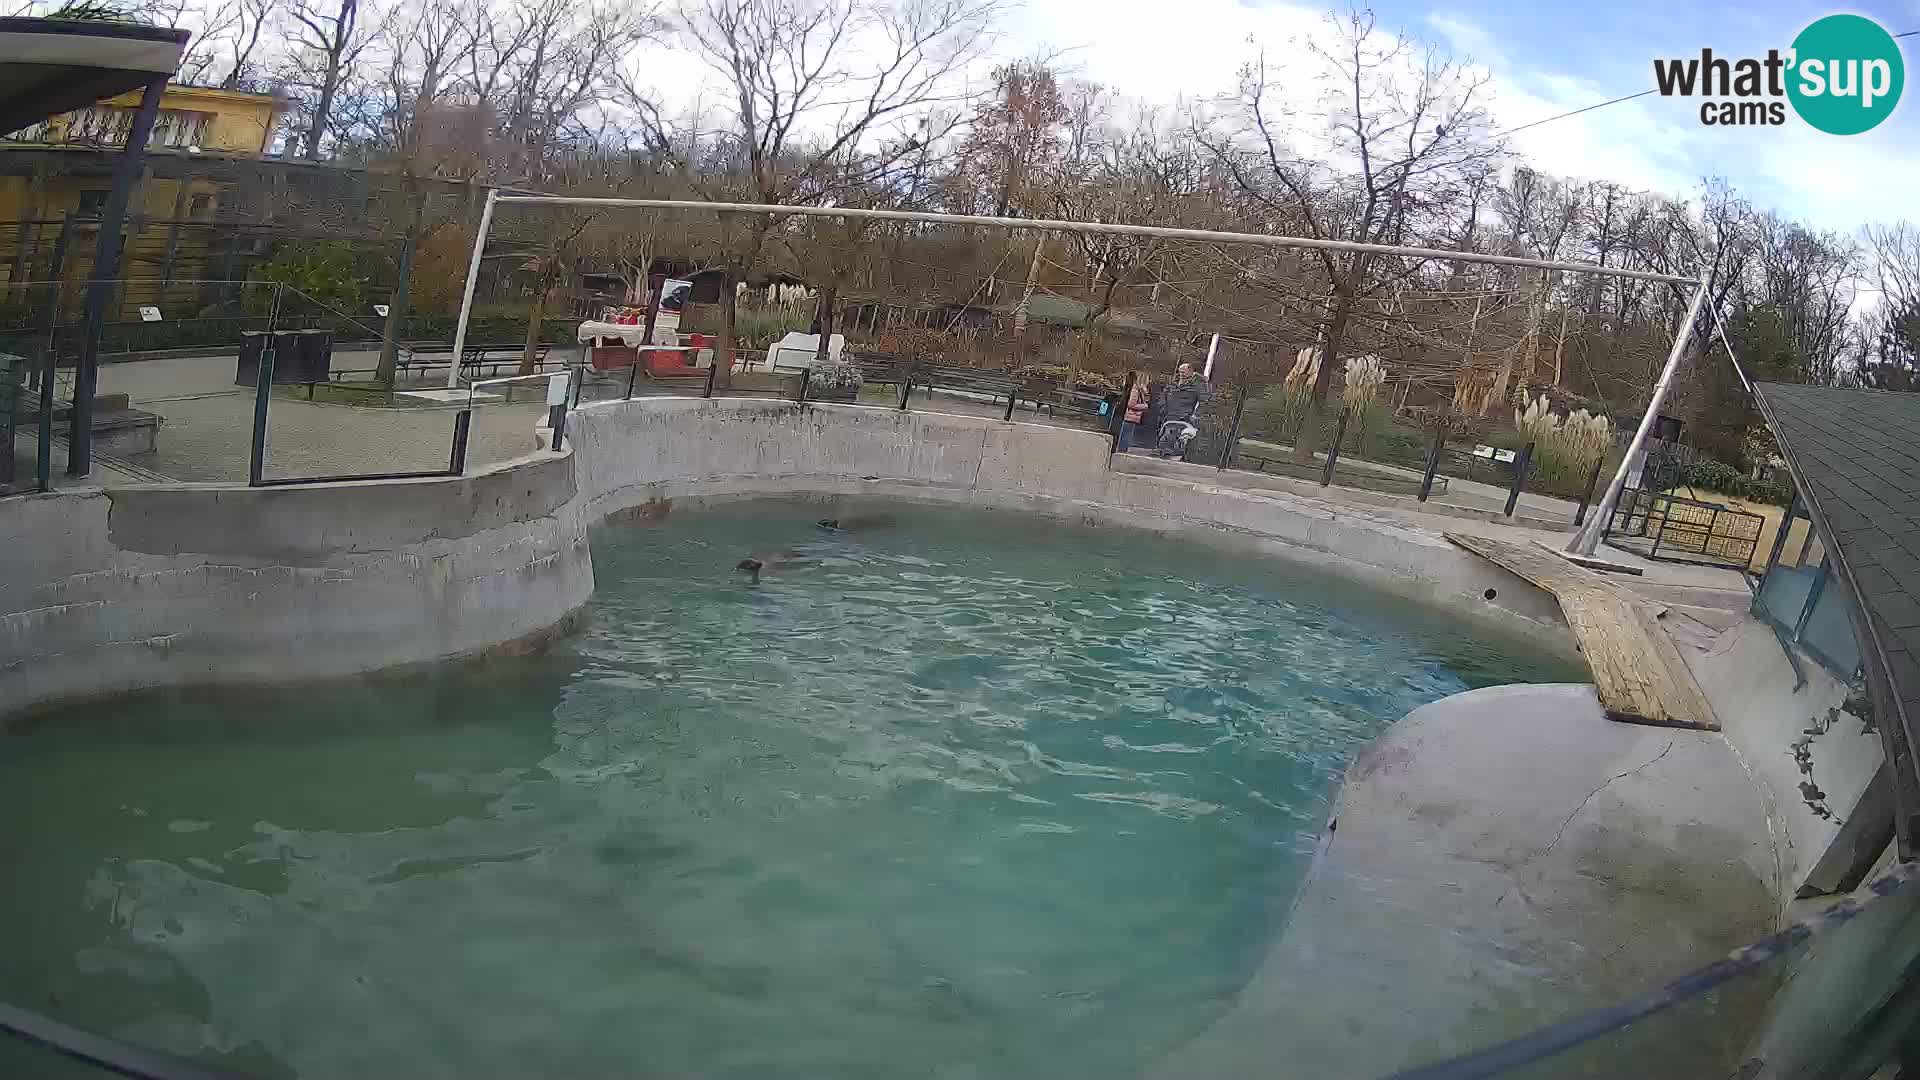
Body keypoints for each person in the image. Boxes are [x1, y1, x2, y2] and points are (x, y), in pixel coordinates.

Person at [1156, 363, 1206, 458]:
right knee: (1164, 439)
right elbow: (1163, 397)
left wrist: (1195, 415)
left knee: (1177, 442)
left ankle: (1172, 453)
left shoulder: (1196, 387)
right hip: (1168, 417)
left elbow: (1203, 402)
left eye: (1184, 372)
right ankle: (1163, 452)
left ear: (1191, 372)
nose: (1181, 374)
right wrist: (1163, 408)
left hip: (1184, 418)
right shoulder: (1172, 385)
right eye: (1180, 372)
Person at [1117, 371, 1151, 452]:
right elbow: (1131, 404)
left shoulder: (1141, 389)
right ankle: (1121, 452)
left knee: (1127, 436)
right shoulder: (1136, 389)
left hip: (1135, 417)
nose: (1150, 381)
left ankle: (1122, 451)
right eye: (1148, 379)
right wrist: (1145, 406)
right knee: (1126, 437)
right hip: (1131, 416)